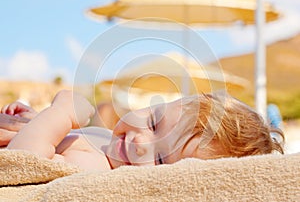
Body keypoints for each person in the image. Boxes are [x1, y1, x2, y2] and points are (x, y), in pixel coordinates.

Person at [1, 90, 284, 171]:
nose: (140, 143)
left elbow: (25, 161)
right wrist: (31, 119)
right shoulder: (106, 142)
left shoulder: (95, 167)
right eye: (152, 122)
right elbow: (53, 140)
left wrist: (59, 114)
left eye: (160, 160)